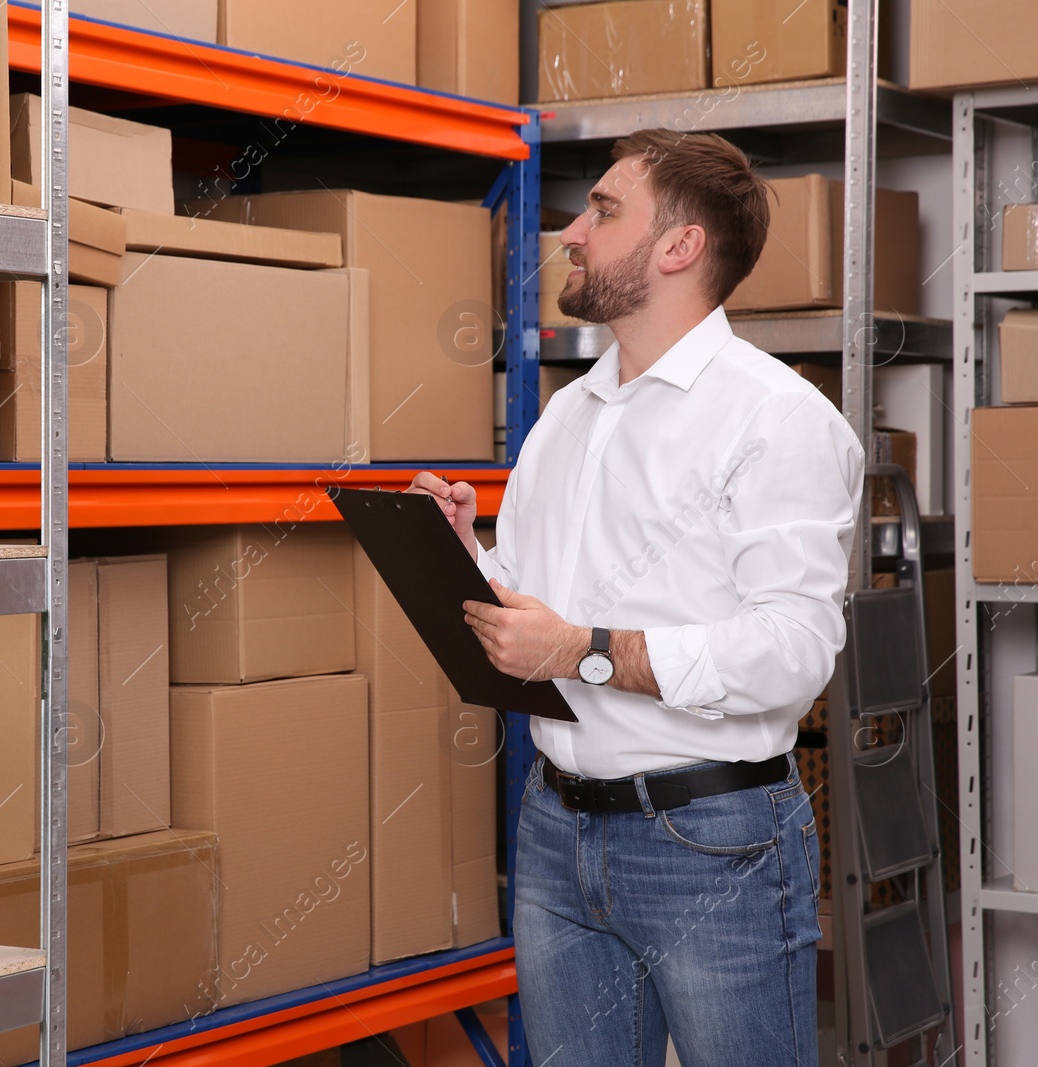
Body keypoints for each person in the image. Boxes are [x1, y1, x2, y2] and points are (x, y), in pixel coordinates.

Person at [412, 128, 863, 1066]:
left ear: (679, 247)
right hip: (555, 828)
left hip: (712, 842)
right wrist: (468, 560)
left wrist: (584, 649)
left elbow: (792, 651)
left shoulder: (778, 420)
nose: (571, 233)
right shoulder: (571, 414)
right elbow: (534, 614)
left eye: (603, 210)